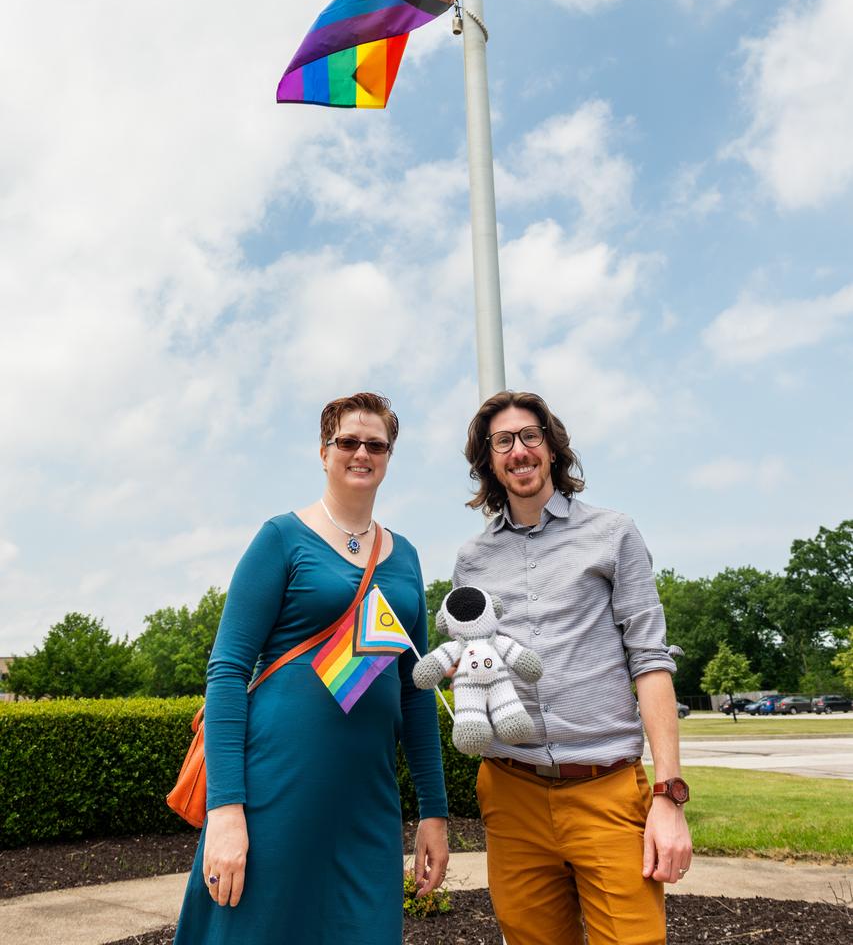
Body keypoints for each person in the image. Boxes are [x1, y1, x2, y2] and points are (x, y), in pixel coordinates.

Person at [174, 392, 448, 945]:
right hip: (275, 793)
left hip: (366, 804)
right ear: (324, 451)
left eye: (376, 444)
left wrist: (434, 811)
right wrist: (227, 812)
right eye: (348, 441)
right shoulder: (281, 537)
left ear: (389, 456)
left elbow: (416, 692)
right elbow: (227, 672)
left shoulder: (407, 557)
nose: (361, 453)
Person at [453, 390, 692, 945]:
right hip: (511, 794)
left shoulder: (614, 533)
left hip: (606, 790)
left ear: (553, 448)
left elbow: (651, 661)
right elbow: (477, 657)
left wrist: (668, 796)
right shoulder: (472, 559)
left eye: (530, 436)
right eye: (503, 441)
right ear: (489, 460)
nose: (519, 450)